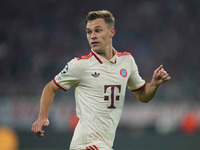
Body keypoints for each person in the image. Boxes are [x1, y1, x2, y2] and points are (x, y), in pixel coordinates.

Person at [32, 10, 171, 150]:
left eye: (98, 31)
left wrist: (154, 84)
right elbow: (51, 87)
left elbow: (143, 95)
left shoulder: (126, 61)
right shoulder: (79, 65)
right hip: (85, 143)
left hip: (104, 144)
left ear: (112, 32)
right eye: (89, 32)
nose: (92, 36)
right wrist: (42, 116)